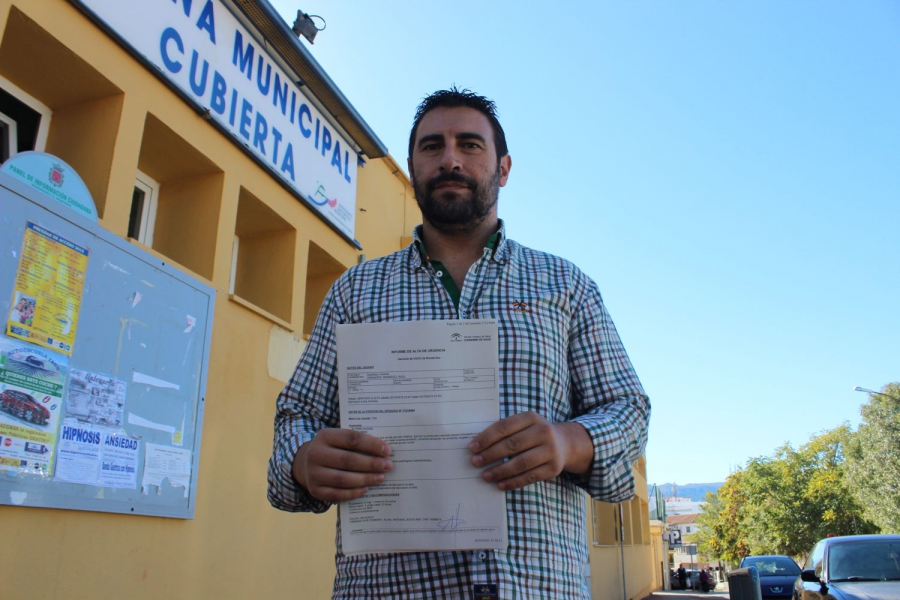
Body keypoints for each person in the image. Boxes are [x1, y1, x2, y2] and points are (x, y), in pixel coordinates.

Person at [267, 87, 651, 598]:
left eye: (469, 144)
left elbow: (629, 410)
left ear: (504, 169)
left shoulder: (566, 286)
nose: (450, 159)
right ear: (412, 169)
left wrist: (569, 443)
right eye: (432, 147)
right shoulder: (353, 291)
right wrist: (303, 461)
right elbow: (295, 417)